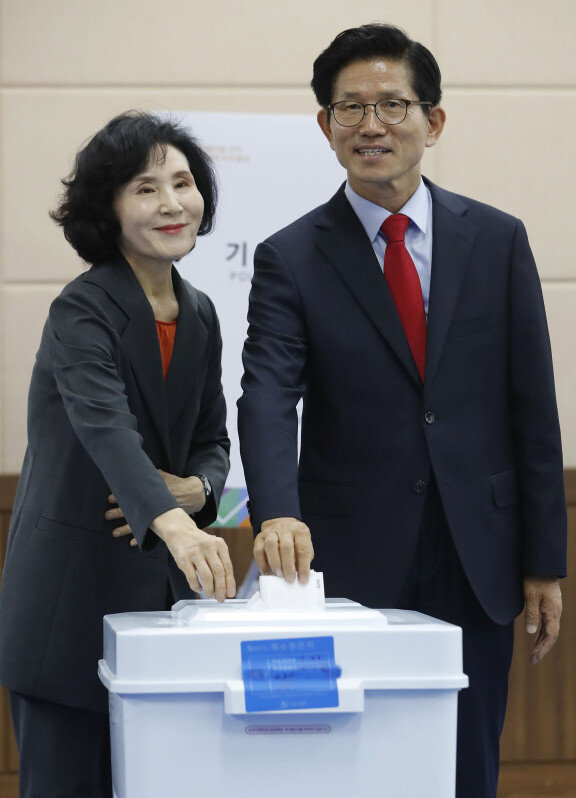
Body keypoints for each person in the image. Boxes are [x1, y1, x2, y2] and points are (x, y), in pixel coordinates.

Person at [237, 24, 567, 798]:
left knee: (466, 761)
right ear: (325, 127)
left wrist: (545, 561)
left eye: (392, 103)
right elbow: (266, 394)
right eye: (349, 108)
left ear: (434, 120)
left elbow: (533, 407)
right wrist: (277, 513)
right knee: (350, 764)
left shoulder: (496, 239)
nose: (371, 125)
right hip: (349, 553)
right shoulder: (291, 256)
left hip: (476, 552)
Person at [0, 112, 236, 797]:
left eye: (183, 183)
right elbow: (106, 428)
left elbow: (213, 442)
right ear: (109, 209)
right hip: (68, 610)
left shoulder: (200, 311)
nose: (171, 203)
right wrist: (175, 523)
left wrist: (196, 491)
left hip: (162, 615)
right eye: (145, 188)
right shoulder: (82, 308)